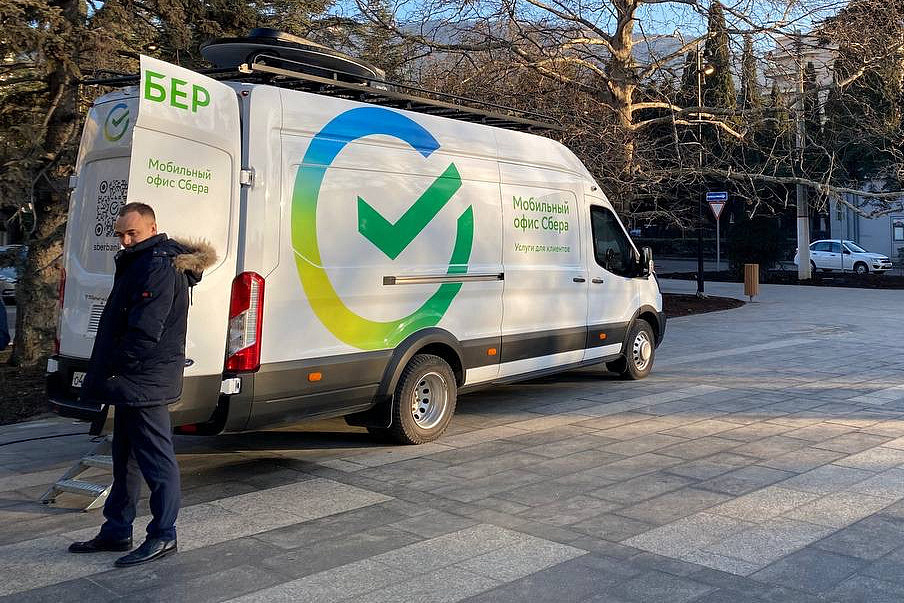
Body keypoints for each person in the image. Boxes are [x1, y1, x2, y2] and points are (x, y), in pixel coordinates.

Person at [68, 202, 215, 567]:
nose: (125, 240)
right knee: (126, 459)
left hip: (144, 379)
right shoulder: (141, 260)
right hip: (134, 380)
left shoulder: (158, 265)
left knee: (156, 461)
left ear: (152, 228)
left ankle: (164, 535)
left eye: (132, 233)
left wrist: (118, 367)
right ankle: (117, 530)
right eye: (120, 234)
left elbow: (145, 331)